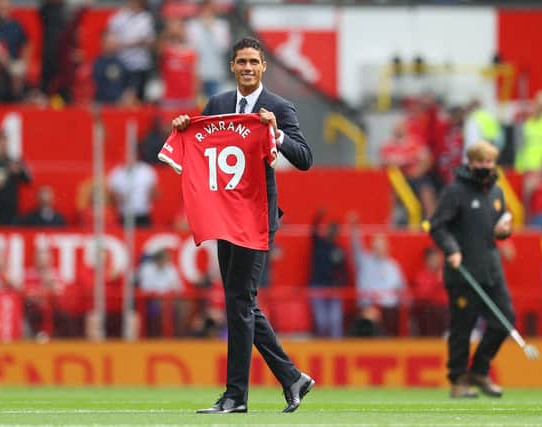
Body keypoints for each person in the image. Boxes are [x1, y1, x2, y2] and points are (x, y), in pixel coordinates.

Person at [169, 37, 314, 414]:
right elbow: (199, 142)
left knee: (239, 302)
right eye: (241, 62)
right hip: (224, 216)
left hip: (256, 218)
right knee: (240, 302)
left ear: (264, 66)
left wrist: (277, 134)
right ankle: (291, 377)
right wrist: (186, 126)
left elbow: (305, 158)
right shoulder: (217, 105)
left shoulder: (279, 107)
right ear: (232, 67)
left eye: (253, 61)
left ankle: (237, 396)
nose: (247, 68)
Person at [429, 141, 514, 398]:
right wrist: (452, 249)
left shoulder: (497, 192)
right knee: (462, 328)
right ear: (470, 163)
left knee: (505, 320)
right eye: (481, 162)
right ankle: (458, 380)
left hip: (491, 270)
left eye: (489, 162)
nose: (485, 167)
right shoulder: (455, 192)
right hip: (463, 272)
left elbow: (501, 227)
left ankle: (479, 370)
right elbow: (438, 226)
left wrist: (505, 230)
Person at [349, 212, 406, 336]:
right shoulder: (365, 262)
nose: (379, 249)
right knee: (368, 318)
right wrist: (354, 228)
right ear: (372, 248)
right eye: (376, 247)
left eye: (381, 247)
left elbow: (402, 288)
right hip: (367, 306)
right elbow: (356, 247)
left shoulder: (393, 266)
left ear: (387, 248)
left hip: (389, 308)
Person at [308, 210, 348, 338]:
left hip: (333, 288)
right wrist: (319, 216)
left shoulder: (338, 250)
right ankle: (321, 346)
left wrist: (341, 284)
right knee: (321, 321)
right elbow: (313, 231)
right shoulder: (319, 244)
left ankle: (336, 349)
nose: (333, 232)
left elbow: (343, 271)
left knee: (335, 321)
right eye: (331, 229)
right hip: (318, 286)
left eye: (335, 230)